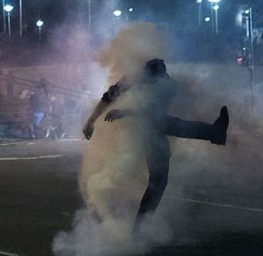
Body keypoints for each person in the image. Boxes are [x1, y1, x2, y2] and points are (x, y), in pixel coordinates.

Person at [82, 59, 228, 228]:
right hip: (138, 132)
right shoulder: (133, 80)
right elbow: (108, 98)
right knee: (157, 179)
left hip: (149, 130)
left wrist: (124, 112)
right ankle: (138, 227)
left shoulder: (168, 86)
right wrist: (90, 122)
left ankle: (140, 227)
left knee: (158, 180)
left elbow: (151, 113)